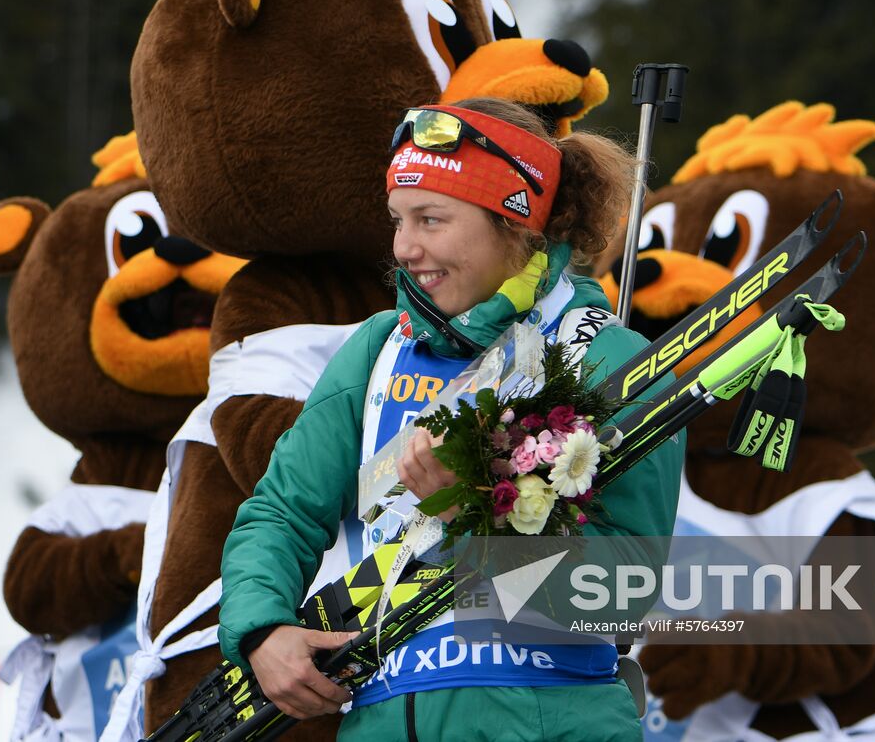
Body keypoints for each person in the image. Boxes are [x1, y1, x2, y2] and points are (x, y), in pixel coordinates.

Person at [216, 98, 685, 741]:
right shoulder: (378, 349)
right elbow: (281, 512)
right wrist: (261, 627)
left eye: (431, 219)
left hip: (548, 718)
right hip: (384, 718)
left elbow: (626, 589)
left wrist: (467, 516)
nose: (405, 248)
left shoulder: (606, 356)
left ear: (515, 223)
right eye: (397, 220)